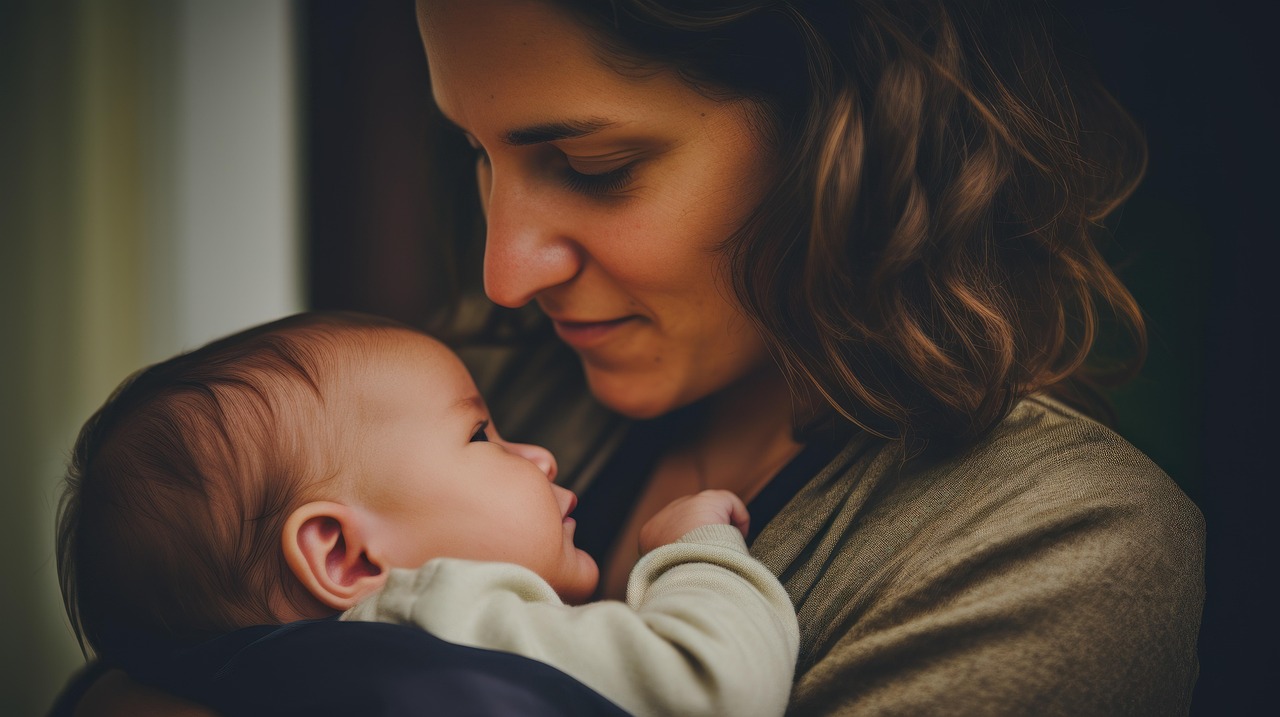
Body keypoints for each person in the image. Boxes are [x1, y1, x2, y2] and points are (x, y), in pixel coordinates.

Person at [61, 0, 1205, 714]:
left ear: (840, 134)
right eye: (476, 152)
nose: (506, 271)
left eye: (591, 162)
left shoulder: (1045, 542)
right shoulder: (457, 399)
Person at [53, 311, 799, 717]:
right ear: (346, 556)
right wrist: (697, 545)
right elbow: (711, 685)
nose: (539, 455)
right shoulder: (443, 618)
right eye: (481, 435)